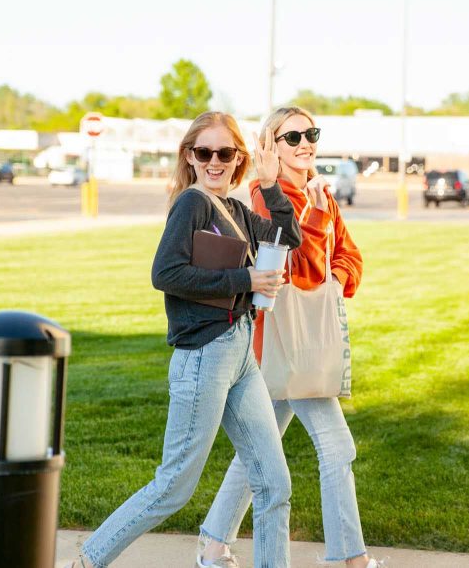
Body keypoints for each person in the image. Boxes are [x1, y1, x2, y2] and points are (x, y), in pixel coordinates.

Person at [70, 111, 302, 568]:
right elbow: (166, 273)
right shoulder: (191, 204)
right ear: (190, 157)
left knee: (274, 482)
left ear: (238, 158)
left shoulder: (235, 209)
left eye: (225, 153)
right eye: (204, 152)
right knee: (174, 484)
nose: (214, 162)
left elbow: (286, 236)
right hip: (203, 357)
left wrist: (271, 184)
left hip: (239, 353)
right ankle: (87, 561)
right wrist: (246, 278)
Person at [196, 107, 381, 568]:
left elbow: (349, 255)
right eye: (292, 136)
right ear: (271, 146)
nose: (304, 143)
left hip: (301, 340)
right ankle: (348, 559)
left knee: (262, 448)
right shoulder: (265, 195)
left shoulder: (320, 192)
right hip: (277, 340)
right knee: (338, 447)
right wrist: (318, 226)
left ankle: (214, 542)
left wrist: (337, 279)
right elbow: (292, 267)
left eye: (310, 134)